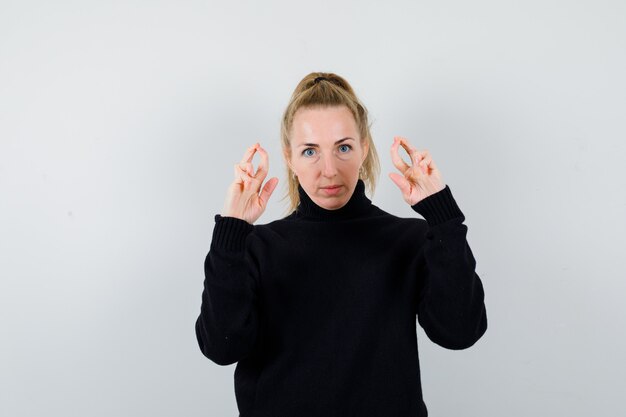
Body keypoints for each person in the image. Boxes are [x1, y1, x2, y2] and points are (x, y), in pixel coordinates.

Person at [195, 72, 487, 417]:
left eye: (343, 147)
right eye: (310, 151)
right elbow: (221, 347)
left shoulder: (409, 241)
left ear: (364, 147)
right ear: (289, 157)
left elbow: (460, 331)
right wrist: (232, 229)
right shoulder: (257, 246)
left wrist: (443, 217)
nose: (329, 170)